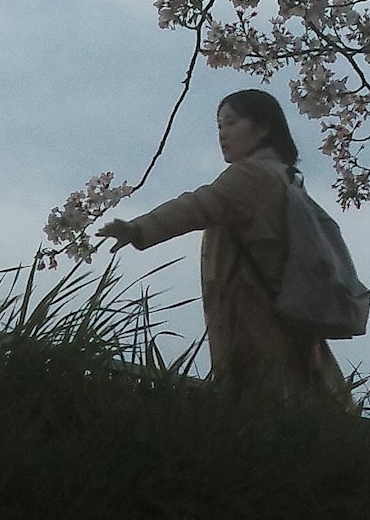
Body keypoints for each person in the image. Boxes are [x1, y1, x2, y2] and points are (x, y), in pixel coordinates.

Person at [97, 88, 352, 401]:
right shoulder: (288, 179)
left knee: (259, 400)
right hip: (290, 315)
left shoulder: (249, 176)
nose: (223, 134)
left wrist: (139, 229)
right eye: (219, 126)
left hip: (252, 312)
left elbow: (199, 204)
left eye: (231, 123)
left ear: (262, 128)